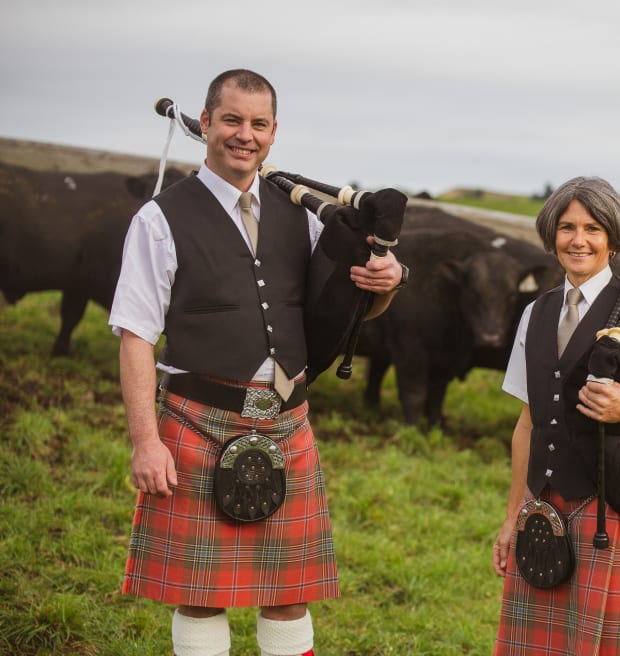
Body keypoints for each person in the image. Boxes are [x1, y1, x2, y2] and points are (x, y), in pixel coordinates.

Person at [110, 69, 406, 656]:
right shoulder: (160, 219)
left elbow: (353, 309)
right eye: (232, 120)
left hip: (285, 419)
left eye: (259, 124)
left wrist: (388, 282)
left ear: (274, 133)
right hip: (196, 421)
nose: (245, 135)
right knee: (200, 592)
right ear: (207, 123)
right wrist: (146, 441)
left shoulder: (301, 213)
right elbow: (136, 337)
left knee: (289, 593)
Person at [492, 176, 620, 654]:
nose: (578, 240)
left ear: (612, 236)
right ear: (552, 235)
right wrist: (514, 516)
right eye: (567, 227)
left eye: (592, 228)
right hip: (546, 509)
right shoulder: (536, 313)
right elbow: (528, 424)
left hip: (615, 512)